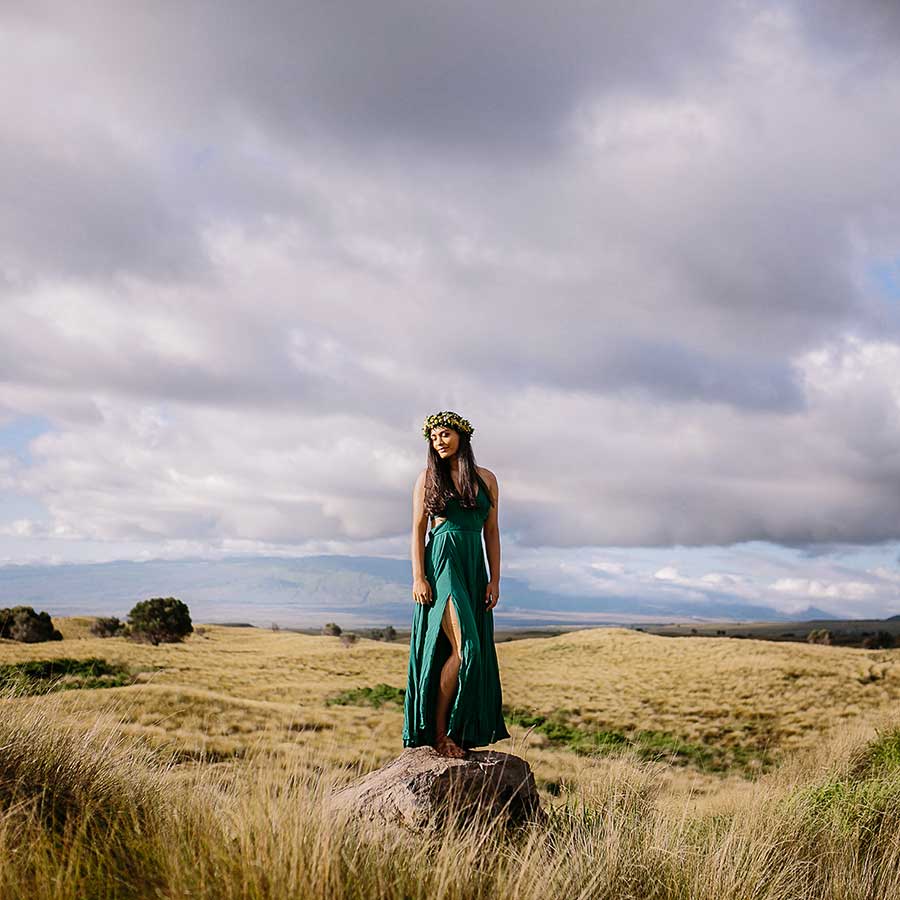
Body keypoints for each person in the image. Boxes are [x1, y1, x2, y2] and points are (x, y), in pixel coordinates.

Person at [402, 410, 511, 758]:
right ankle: (438, 734)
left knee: (468, 651)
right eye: (433, 437)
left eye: (445, 434)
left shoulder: (487, 479)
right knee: (467, 650)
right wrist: (419, 576)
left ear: (462, 436)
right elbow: (419, 530)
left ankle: (459, 731)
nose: (439, 441)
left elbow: (491, 532)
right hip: (443, 562)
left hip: (473, 564)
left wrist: (494, 578)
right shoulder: (426, 478)